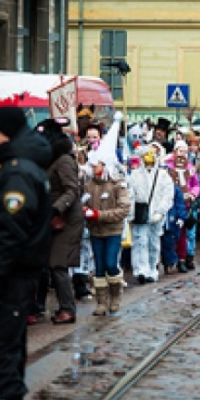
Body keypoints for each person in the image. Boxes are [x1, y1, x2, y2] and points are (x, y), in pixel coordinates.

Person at [0, 107, 53, 400]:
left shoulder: (18, 172)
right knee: (8, 344)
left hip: (13, 275)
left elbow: (12, 229)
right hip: (17, 273)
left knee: (0, 347)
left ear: (5, 131)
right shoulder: (15, 167)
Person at [36, 118, 82, 325]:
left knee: (58, 264)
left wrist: (56, 209)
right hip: (52, 217)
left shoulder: (63, 160)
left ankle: (67, 309)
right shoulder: (53, 159)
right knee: (52, 264)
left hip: (66, 218)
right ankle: (60, 306)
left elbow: (72, 190)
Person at [84, 112, 130, 315]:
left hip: (112, 230)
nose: (93, 168)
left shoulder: (117, 185)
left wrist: (98, 215)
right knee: (99, 266)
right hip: (95, 231)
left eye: (97, 165)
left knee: (111, 263)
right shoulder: (88, 185)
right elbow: (83, 203)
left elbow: (123, 209)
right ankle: (101, 303)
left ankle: (116, 294)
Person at [128, 144, 174, 282]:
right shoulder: (135, 175)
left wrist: (161, 211)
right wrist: (131, 213)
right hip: (140, 214)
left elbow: (168, 194)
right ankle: (141, 269)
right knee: (140, 241)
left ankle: (152, 268)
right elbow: (131, 195)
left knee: (153, 243)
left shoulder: (163, 175)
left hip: (156, 214)